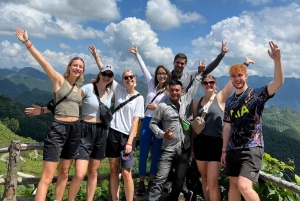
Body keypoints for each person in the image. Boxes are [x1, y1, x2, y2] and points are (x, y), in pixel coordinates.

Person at [16, 28, 84, 201]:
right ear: (69, 67)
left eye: (81, 67)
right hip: (58, 129)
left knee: (64, 172)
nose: (78, 68)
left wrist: (43, 110)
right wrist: (27, 43)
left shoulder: (79, 91)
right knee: (47, 177)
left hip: (75, 129)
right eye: (75, 65)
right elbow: (43, 62)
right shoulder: (58, 80)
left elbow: (65, 107)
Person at [221, 41, 284, 201]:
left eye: (240, 75)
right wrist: (223, 150)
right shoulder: (229, 102)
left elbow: (278, 83)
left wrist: (277, 61)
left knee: (244, 186)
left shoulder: (257, 94)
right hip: (233, 149)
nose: (237, 78)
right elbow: (227, 127)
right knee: (233, 186)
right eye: (234, 76)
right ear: (231, 78)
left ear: (246, 76)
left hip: (252, 147)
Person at [191, 58, 255, 201]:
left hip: (216, 144)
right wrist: (192, 147)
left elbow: (232, 84)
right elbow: (194, 127)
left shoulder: (220, 98)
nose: (208, 85)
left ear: (215, 85)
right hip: (200, 143)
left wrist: (244, 65)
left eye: (211, 82)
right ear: (202, 85)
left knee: (213, 182)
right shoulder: (197, 103)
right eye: (206, 83)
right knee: (205, 179)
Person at [148, 60, 204, 201]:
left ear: (181, 91)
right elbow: (152, 124)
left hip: (184, 149)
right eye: (172, 90)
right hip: (168, 149)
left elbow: (195, 85)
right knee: (160, 179)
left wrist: (200, 72)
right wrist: (162, 134)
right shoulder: (162, 107)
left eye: (177, 90)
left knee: (179, 180)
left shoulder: (186, 100)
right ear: (169, 91)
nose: (174, 93)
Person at [128, 46, 170, 196]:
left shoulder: (169, 90)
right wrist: (138, 55)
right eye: (159, 73)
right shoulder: (152, 84)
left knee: (156, 152)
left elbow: (172, 105)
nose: (161, 76)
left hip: (159, 123)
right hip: (146, 120)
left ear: (167, 75)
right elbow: (144, 69)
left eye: (164, 73)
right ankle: (141, 182)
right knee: (144, 152)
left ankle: (151, 181)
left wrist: (158, 106)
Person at [106, 70, 145, 201]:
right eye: (126, 77)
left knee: (126, 172)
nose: (129, 79)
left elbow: (135, 121)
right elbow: (106, 72)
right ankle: (114, 199)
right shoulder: (119, 90)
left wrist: (129, 142)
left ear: (135, 79)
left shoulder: (139, 98)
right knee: (113, 169)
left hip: (128, 137)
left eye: (131, 76)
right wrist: (95, 56)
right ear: (122, 80)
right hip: (113, 132)